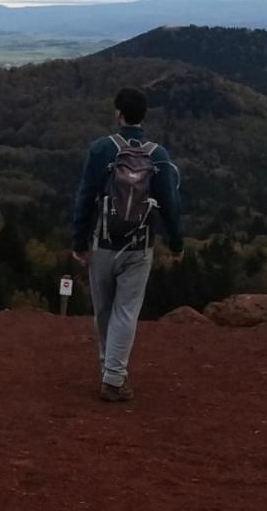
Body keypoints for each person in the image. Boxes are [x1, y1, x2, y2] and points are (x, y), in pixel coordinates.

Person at [71, 87, 183, 402]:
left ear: (118, 114)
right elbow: (170, 203)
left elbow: (84, 197)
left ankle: (111, 371)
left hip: (102, 241)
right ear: (143, 116)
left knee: (104, 310)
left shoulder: (101, 150)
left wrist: (79, 241)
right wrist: (176, 242)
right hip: (139, 245)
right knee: (126, 312)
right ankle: (114, 377)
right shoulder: (158, 155)